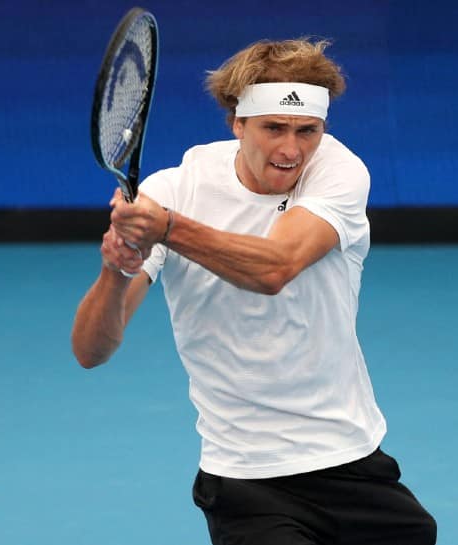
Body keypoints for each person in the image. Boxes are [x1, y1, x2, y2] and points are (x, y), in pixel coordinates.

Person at [71, 38, 437, 545]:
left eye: (307, 130)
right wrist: (115, 271)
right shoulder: (175, 189)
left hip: (351, 459)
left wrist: (169, 229)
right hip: (246, 478)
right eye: (273, 128)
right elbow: (91, 351)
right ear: (237, 124)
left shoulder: (337, 171)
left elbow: (276, 268)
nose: (291, 150)